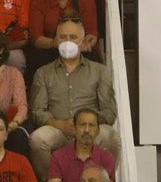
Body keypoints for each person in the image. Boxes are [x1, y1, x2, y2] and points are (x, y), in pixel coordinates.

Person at [25, 18, 116, 178]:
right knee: (37, 140)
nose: (68, 42)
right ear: (56, 40)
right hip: (59, 128)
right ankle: (53, 178)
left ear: (82, 41)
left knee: (110, 136)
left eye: (73, 37)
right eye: (63, 37)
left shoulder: (100, 71)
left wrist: (87, 123)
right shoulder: (43, 73)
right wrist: (59, 124)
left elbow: (109, 112)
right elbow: (37, 111)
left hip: (91, 127)